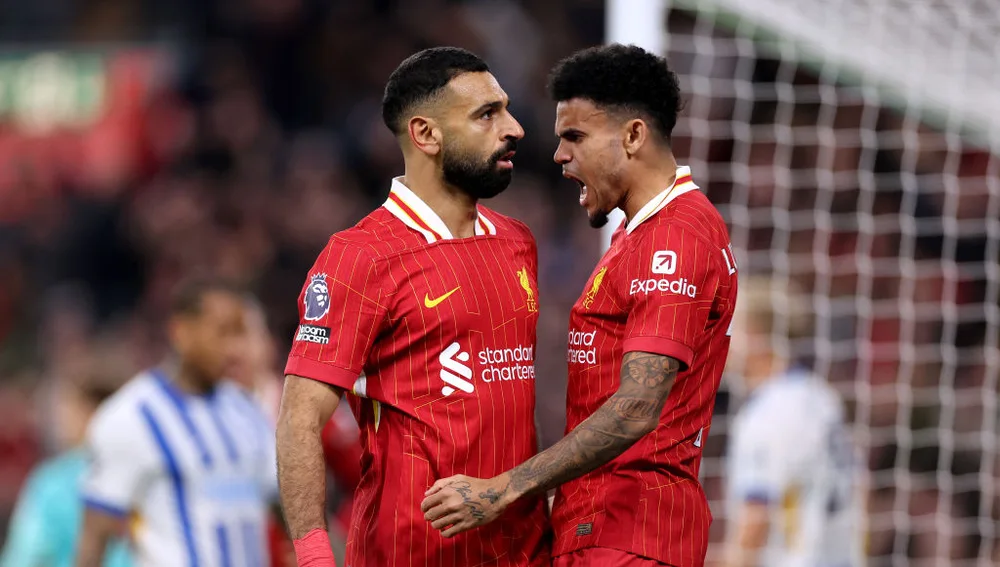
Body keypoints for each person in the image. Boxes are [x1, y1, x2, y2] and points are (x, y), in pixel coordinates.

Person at [420, 43, 738, 567]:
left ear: (634, 135)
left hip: (633, 532)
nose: (559, 155)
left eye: (575, 137)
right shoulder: (640, 236)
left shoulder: (675, 240)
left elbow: (637, 407)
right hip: (602, 525)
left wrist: (505, 488)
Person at [276, 46, 550, 567]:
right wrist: (314, 558)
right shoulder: (358, 256)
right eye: (487, 113)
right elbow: (299, 418)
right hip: (410, 551)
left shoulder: (518, 243)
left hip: (524, 551)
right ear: (425, 135)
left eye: (507, 108)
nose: (513, 127)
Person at [75, 278, 280, 567]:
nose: (234, 349)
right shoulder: (130, 417)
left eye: (239, 334)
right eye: (222, 333)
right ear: (181, 332)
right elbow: (93, 540)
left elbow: (287, 510)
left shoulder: (248, 411)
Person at [721, 276, 865, 567]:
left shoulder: (766, 415)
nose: (722, 340)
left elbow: (754, 524)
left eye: (731, 328)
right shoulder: (822, 397)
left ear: (757, 337)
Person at [0, 379, 132, 567]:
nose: (61, 421)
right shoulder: (142, 473)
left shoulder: (53, 481)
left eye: (68, 411)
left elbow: (27, 555)